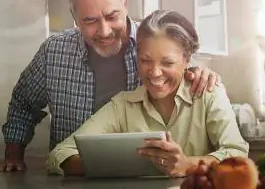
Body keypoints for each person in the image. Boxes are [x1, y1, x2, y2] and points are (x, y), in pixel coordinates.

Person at [0, 0, 220, 172]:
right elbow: (23, 104)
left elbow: (184, 71)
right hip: (76, 176)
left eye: (112, 16)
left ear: (125, 3)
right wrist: (13, 156)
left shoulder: (155, 42)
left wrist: (201, 73)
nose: (104, 31)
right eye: (90, 20)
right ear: (75, 18)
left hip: (148, 176)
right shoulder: (53, 51)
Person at [46, 10, 249, 177]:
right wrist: (116, 165)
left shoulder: (208, 94)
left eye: (167, 63)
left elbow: (238, 155)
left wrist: (189, 165)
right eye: (145, 60)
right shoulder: (123, 106)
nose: (155, 72)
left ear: (187, 60)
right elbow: (60, 154)